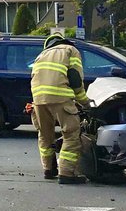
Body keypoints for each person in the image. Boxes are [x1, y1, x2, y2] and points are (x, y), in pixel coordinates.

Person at [29, 31, 88, 185]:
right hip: (61, 97)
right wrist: (84, 101)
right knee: (71, 133)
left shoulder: (41, 55)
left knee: (45, 134)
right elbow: (75, 78)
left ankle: (49, 169)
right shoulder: (70, 50)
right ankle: (66, 173)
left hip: (39, 100)